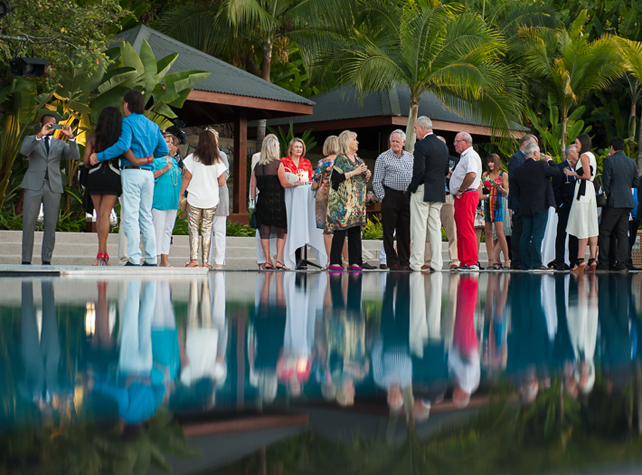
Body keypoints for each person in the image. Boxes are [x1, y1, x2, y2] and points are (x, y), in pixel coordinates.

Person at [89, 90, 169, 266]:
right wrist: (149, 157)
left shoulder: (126, 123)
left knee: (131, 216)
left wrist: (100, 156)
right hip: (148, 174)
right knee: (146, 216)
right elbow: (164, 151)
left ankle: (133, 258)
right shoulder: (153, 125)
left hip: (131, 172)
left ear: (127, 105)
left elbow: (123, 145)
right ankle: (150, 258)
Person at [20, 114, 80, 265]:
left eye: (53, 124)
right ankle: (26, 260)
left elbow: (75, 155)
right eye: (47, 124)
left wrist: (71, 137)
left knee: (51, 225)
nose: (50, 127)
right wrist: (40, 135)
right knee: (28, 223)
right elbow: (24, 151)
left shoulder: (60, 144)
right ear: (41, 124)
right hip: (33, 184)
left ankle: (46, 260)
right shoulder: (32, 139)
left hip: (53, 185)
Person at [82, 107, 131, 266]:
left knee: (99, 214)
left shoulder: (93, 138)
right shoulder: (120, 139)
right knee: (106, 214)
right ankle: (104, 253)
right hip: (113, 177)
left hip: (95, 176)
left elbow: (87, 162)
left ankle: (100, 252)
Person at [178, 129, 228, 269]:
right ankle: (206, 261)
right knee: (206, 229)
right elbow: (222, 182)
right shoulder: (217, 159)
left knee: (193, 229)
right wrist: (210, 184)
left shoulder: (193, 157)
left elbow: (187, 177)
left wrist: (181, 194)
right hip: (211, 199)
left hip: (194, 198)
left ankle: (194, 259)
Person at [251, 136, 300, 270]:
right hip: (277, 201)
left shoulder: (257, 166)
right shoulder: (278, 164)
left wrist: (252, 202)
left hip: (262, 201)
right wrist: (296, 183)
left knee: (264, 231)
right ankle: (278, 260)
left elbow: (252, 186)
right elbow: (284, 183)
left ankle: (267, 260)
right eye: (278, 148)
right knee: (281, 231)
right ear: (274, 149)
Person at [407, 117, 449, 272]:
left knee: (418, 226)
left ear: (423, 128)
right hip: (438, 190)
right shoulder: (443, 146)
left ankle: (416, 263)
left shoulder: (421, 145)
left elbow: (419, 171)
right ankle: (437, 264)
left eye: (416, 128)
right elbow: (445, 171)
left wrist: (411, 188)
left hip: (423, 189)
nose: (415, 131)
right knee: (435, 227)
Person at [511, 142, 560, 270]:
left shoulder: (518, 170)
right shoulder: (541, 165)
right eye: (538, 151)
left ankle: (526, 264)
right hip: (540, 205)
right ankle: (536, 263)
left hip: (525, 207)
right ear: (535, 153)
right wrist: (551, 161)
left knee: (525, 235)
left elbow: (515, 190)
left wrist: (523, 200)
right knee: (537, 235)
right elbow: (556, 172)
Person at [328, 130, 371, 271]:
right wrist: (355, 172)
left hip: (356, 202)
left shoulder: (359, 160)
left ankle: (355, 261)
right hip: (343, 201)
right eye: (354, 139)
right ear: (347, 141)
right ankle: (335, 261)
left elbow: (360, 177)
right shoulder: (341, 159)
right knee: (340, 230)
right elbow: (335, 178)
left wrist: (366, 175)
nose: (357, 142)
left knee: (355, 231)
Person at [372, 129, 414, 270]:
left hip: (406, 196)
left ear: (403, 142)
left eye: (397, 141)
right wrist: (384, 197)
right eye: (392, 141)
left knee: (405, 231)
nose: (395, 144)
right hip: (390, 195)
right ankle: (392, 262)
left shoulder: (410, 157)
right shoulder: (383, 158)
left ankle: (405, 261)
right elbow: (376, 181)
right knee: (388, 231)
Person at [597, 137, 639, 271]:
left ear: (611, 148)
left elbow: (606, 183)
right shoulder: (632, 162)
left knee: (604, 231)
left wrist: (606, 197)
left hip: (614, 202)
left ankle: (604, 263)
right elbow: (636, 183)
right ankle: (621, 264)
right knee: (622, 234)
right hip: (627, 201)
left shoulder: (609, 161)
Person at [424, 136, 460, 271]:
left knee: (452, 230)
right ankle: (428, 261)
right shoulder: (427, 159)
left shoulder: (454, 161)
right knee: (429, 230)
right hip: (432, 197)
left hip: (448, 197)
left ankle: (454, 260)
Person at [564, 134, 599, 271]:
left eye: (577, 142)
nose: (575, 144)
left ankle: (580, 260)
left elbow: (587, 175)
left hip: (583, 193)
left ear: (582, 143)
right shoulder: (591, 156)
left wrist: (573, 174)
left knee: (583, 225)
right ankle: (592, 259)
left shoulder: (584, 156)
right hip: (589, 192)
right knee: (591, 225)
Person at [312, 135, 347, 268]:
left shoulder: (322, 162)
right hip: (339, 195)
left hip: (324, 194)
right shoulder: (343, 161)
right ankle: (346, 259)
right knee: (341, 228)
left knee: (327, 230)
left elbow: (315, 185)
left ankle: (329, 260)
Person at [450, 132, 483, 271]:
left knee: (466, 228)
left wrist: (461, 190)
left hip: (467, 195)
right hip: (464, 195)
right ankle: (465, 261)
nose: (455, 144)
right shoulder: (466, 156)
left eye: (457, 141)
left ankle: (470, 261)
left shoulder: (470, 156)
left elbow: (472, 174)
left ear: (466, 142)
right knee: (462, 229)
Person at [151, 133, 182, 267]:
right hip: (159, 200)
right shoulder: (156, 160)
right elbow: (151, 176)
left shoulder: (174, 161)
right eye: (166, 142)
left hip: (172, 200)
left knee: (168, 230)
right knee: (158, 230)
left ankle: (165, 260)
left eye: (171, 142)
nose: (169, 144)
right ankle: (154, 259)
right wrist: (164, 169)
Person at [507, 134, 538, 269]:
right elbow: (513, 178)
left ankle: (524, 259)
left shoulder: (525, 159)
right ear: (526, 145)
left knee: (525, 230)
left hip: (527, 201)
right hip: (519, 200)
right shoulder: (516, 158)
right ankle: (517, 261)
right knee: (519, 230)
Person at [552, 145, 579, 270]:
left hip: (576, 206)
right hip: (565, 205)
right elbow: (555, 187)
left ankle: (573, 261)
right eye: (576, 151)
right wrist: (560, 203)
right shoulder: (560, 167)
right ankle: (560, 261)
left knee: (574, 234)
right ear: (571, 153)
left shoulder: (579, 168)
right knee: (562, 233)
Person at [207, 128, 230, 270]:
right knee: (206, 231)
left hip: (220, 195)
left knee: (220, 230)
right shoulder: (199, 156)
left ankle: (219, 260)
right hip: (205, 196)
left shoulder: (222, 155)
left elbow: (226, 176)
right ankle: (206, 260)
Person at [482, 153, 510, 269]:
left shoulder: (503, 174)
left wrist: (500, 187)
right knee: (488, 234)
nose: (490, 164)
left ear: (496, 162)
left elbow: (506, 193)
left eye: (492, 162)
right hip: (487, 204)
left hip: (498, 204)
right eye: (488, 162)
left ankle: (507, 260)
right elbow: (482, 190)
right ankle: (490, 260)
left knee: (500, 233)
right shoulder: (485, 175)